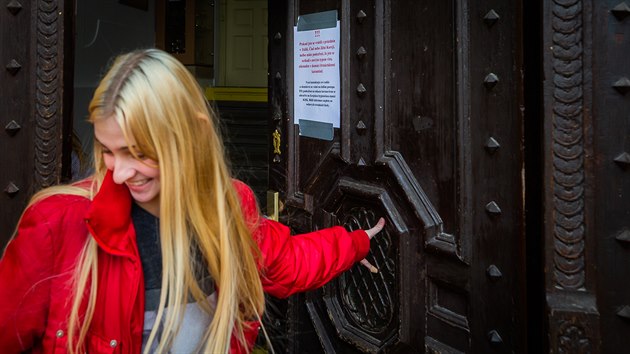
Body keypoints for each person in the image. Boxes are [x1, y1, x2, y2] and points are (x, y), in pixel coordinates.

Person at [0, 48, 385, 354]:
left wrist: (355, 243)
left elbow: (287, 262)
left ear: (191, 136)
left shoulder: (230, 205)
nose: (117, 173)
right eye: (107, 151)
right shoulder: (57, 223)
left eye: (138, 152)